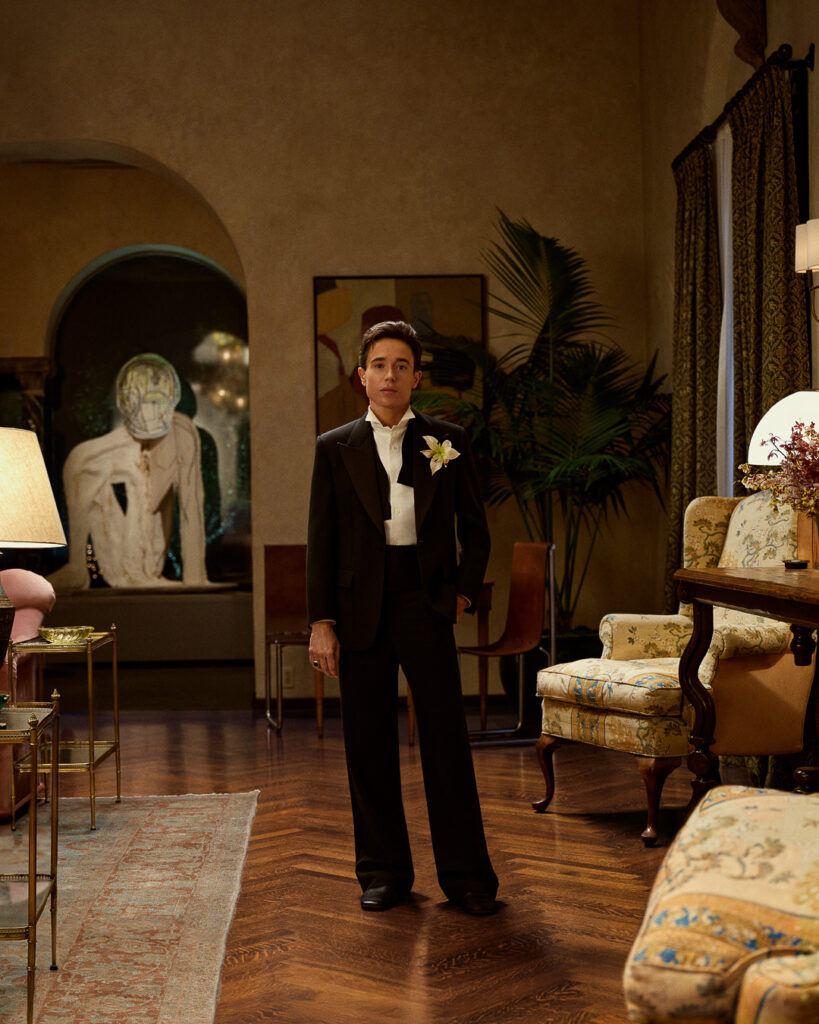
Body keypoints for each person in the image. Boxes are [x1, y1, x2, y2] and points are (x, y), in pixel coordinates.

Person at [307, 320, 499, 915]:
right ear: (361, 377)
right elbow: (321, 541)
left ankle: (467, 878)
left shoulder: (447, 440)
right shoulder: (333, 447)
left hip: (426, 601)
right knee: (367, 743)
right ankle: (383, 873)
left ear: (416, 377)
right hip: (358, 609)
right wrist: (322, 623)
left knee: (446, 742)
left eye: (401, 366)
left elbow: (476, 531)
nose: (389, 375)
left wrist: (461, 593)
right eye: (379, 365)